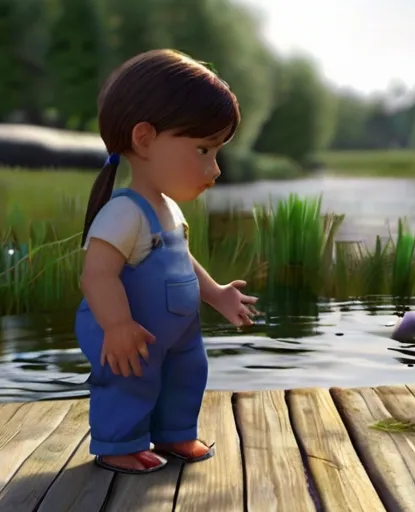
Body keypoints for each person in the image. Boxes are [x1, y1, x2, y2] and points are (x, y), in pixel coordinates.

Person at [75, 49, 259, 475]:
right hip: (130, 329)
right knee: (130, 379)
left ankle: (175, 431)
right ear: (144, 139)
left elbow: (183, 257)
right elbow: (97, 274)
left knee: (186, 374)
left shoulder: (169, 210)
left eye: (216, 152)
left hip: (178, 330)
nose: (214, 170)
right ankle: (119, 443)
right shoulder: (124, 213)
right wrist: (117, 326)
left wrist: (215, 294)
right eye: (202, 150)